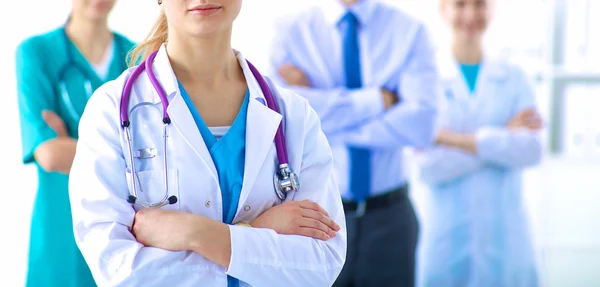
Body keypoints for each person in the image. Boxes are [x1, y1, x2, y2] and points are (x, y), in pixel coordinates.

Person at [68, 0, 347, 286]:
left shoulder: (293, 114)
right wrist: (255, 234)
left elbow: (321, 263)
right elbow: (119, 271)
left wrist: (197, 233)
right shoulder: (112, 109)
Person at [267, 0, 441, 286]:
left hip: (390, 220)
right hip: (312, 221)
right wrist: (377, 100)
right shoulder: (289, 31)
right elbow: (279, 117)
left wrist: (319, 118)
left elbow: (422, 125)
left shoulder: (409, 31)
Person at [416, 0, 542, 286]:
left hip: (506, 236)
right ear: (443, 9)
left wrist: (448, 139)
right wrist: (502, 136)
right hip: (446, 237)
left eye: (479, 4)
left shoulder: (514, 78)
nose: (470, 14)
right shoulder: (427, 80)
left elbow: (531, 150)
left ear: (493, 8)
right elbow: (428, 166)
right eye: (460, 4)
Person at [15, 0, 135, 286]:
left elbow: (163, 156)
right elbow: (49, 154)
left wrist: (70, 143)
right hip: (60, 230)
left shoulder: (139, 58)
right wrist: (126, 152)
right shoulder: (36, 53)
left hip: (126, 236)